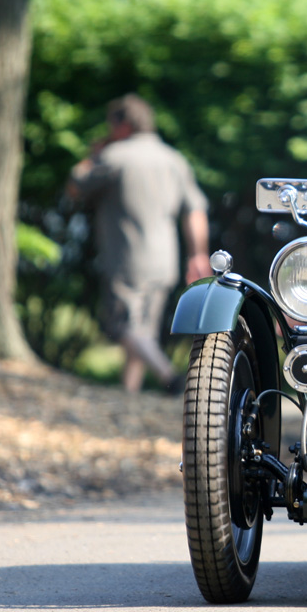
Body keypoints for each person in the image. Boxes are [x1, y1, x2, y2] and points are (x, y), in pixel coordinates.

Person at [67, 93, 210, 394]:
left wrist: (91, 157)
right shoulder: (174, 159)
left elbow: (76, 187)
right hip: (165, 258)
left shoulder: (114, 156)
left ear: (122, 125)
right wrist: (198, 254)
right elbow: (195, 210)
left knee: (122, 328)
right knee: (144, 331)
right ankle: (129, 392)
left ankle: (170, 377)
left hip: (126, 257)